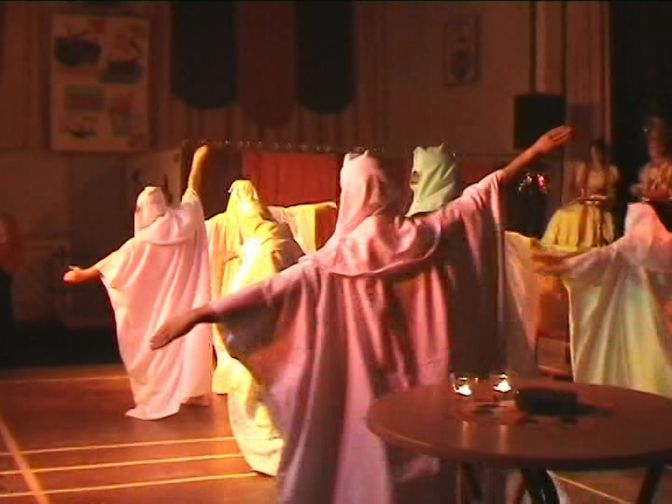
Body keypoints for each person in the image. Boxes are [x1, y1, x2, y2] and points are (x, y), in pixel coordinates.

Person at [151, 127, 571, 504]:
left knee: (370, 457)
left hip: (364, 388)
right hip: (424, 384)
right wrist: (531, 154)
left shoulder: (332, 262)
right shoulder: (426, 234)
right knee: (425, 457)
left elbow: (267, 293)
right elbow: (479, 196)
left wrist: (200, 313)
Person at [63, 145, 213, 420]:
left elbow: (111, 263)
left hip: (156, 312)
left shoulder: (139, 244)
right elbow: (194, 191)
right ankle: (188, 390)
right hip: (184, 307)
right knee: (185, 342)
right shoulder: (185, 220)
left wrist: (82, 274)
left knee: (156, 349)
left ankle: (160, 393)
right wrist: (198, 162)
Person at [223, 195, 304, 476]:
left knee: (262, 397)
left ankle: (277, 455)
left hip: (267, 335)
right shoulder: (282, 241)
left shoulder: (267, 250)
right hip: (287, 332)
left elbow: (255, 293)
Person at [542, 138, 620, 250]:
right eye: (594, 153)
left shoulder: (610, 171)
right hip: (584, 202)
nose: (596, 156)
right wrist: (583, 196)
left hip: (599, 206)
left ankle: (587, 243)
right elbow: (577, 190)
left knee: (589, 218)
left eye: (598, 153)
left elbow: (611, 194)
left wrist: (604, 199)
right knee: (563, 214)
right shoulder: (584, 168)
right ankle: (560, 244)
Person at [406, 144, 460, 217]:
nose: (412, 179)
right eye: (414, 174)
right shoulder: (459, 211)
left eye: (416, 174)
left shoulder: (420, 218)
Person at [0, 212, 23, 366]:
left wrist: (10, 266)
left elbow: (9, 245)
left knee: (3, 309)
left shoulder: (4, 221)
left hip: (3, 269)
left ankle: (7, 353)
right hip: (5, 267)